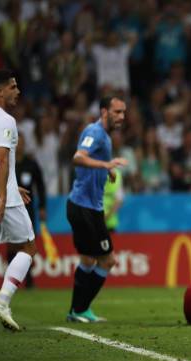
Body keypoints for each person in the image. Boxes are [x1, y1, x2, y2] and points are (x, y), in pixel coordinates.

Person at [66, 96, 128, 323]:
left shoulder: (103, 136)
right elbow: (78, 157)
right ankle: (80, 309)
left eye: (123, 112)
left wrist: (107, 171)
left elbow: (95, 157)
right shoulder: (95, 132)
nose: (121, 117)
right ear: (104, 111)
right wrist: (106, 165)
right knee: (107, 260)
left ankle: (77, 310)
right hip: (85, 208)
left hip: (86, 206)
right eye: (117, 112)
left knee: (89, 260)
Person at [0, 69, 37, 331]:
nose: (17, 91)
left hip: (6, 190)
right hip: (2, 198)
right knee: (29, 246)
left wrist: (13, 185)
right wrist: (3, 195)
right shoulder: (5, 120)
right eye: (12, 87)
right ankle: (2, 303)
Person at [7, 133, 46, 288]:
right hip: (10, 209)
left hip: (28, 210)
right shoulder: (6, 163)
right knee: (12, 246)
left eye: (22, 143)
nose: (19, 146)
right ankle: (10, 280)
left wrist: (42, 206)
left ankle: (29, 280)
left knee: (29, 245)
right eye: (17, 142)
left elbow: (41, 185)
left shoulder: (31, 163)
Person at [103, 167, 124, 232]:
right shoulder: (117, 173)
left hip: (108, 222)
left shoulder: (94, 171)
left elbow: (119, 201)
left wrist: (107, 216)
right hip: (104, 220)